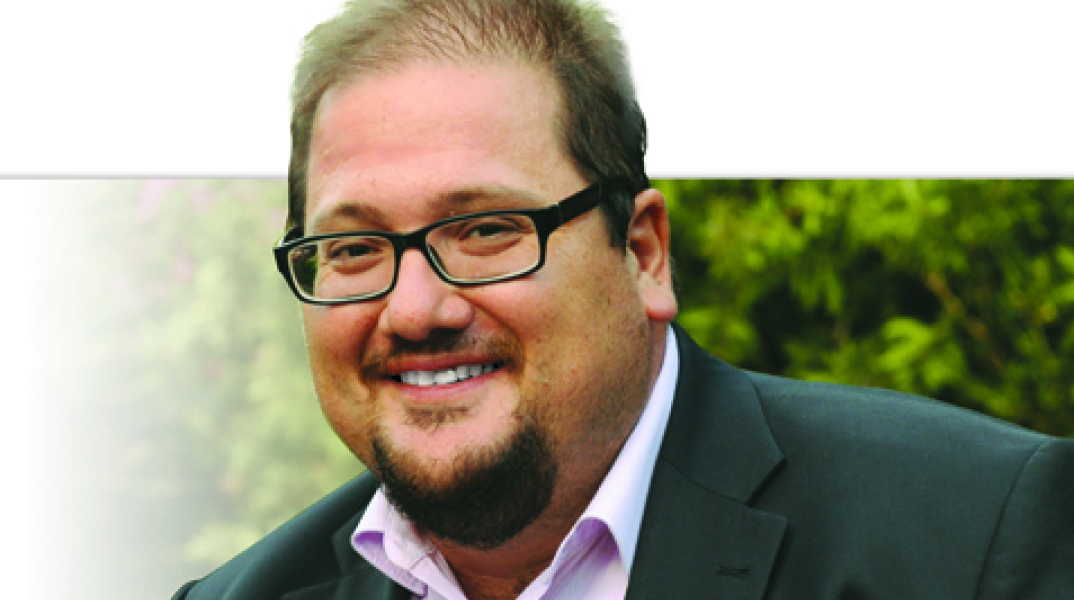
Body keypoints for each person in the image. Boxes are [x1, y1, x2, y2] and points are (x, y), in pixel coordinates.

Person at [173, 0, 1074, 598]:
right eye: (354, 249)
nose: (414, 310)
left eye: (484, 230)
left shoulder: (975, 539)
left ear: (643, 253)